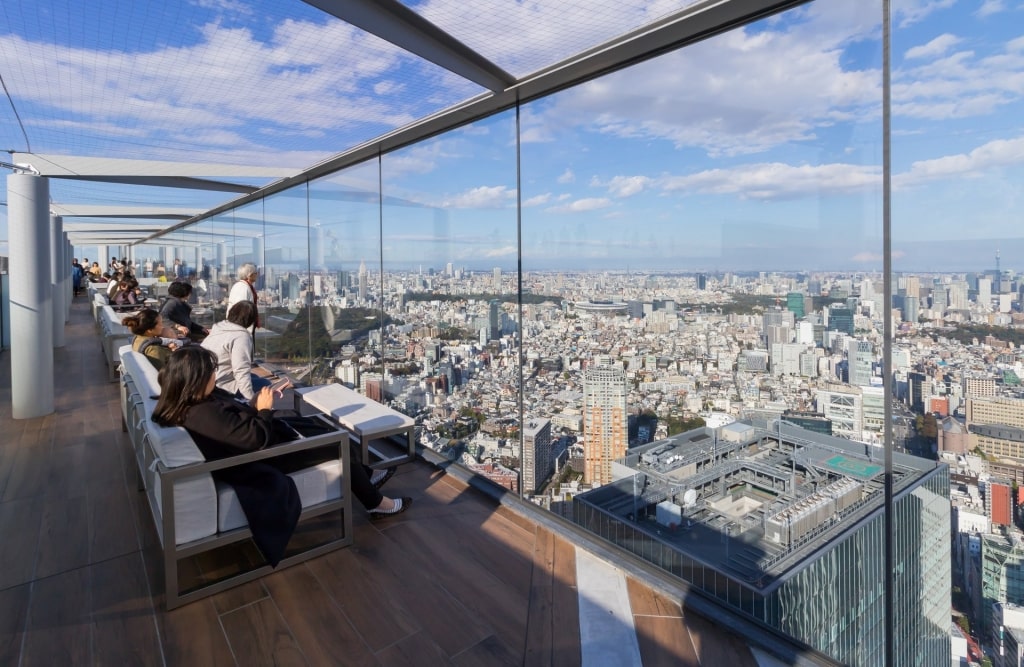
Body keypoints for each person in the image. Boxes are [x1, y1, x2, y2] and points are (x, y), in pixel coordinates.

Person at [151, 348, 409, 565]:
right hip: (261, 459)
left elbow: (233, 428)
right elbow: (255, 441)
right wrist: (264, 410)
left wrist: (255, 405)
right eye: (211, 372)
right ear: (195, 378)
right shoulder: (202, 414)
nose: (214, 376)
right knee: (340, 444)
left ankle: (368, 476)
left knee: (315, 426)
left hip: (251, 451)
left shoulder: (188, 404)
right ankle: (376, 503)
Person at [201, 301, 275, 400]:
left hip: (206, 381)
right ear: (251, 319)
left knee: (255, 377)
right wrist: (250, 398)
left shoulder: (219, 328)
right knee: (266, 385)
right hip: (221, 386)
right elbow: (241, 369)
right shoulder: (241, 336)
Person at [228, 263, 260, 345]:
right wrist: (244, 332)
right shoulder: (242, 287)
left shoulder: (244, 286)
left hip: (243, 328)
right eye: (255, 273)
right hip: (242, 329)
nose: (257, 275)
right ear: (249, 275)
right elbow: (241, 310)